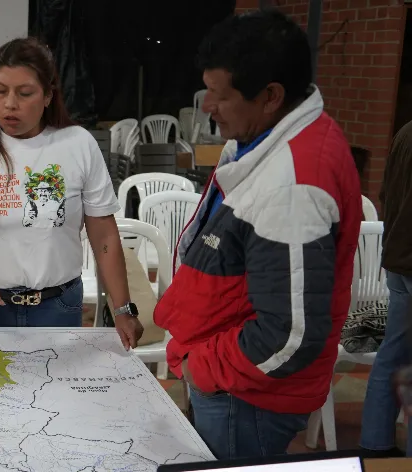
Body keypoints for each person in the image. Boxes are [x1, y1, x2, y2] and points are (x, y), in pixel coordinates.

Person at [153, 10, 362, 460]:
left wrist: (201, 368)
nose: (206, 107)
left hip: (245, 398)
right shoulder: (268, 139)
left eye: (219, 96)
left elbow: (289, 336)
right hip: (233, 381)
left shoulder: (293, 186)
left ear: (270, 96)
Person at [0, 37, 142, 347]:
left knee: (54, 394)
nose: (10, 104)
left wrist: (122, 308)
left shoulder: (77, 144)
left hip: (58, 307)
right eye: (0, 91)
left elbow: (103, 233)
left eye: (25, 94)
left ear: (48, 95)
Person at [360, 121, 412, 457]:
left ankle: (375, 445)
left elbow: (385, 195)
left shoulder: (405, 132)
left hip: (398, 256)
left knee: (392, 355)